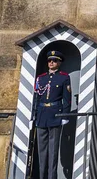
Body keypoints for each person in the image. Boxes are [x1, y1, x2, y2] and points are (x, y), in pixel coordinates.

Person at [31, 50, 71, 179]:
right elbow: (36, 98)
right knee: (41, 150)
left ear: (59, 62)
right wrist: (34, 115)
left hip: (55, 115)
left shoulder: (64, 77)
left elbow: (67, 98)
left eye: (54, 60)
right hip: (42, 116)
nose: (51, 62)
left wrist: (65, 116)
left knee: (53, 151)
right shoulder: (41, 78)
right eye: (49, 60)